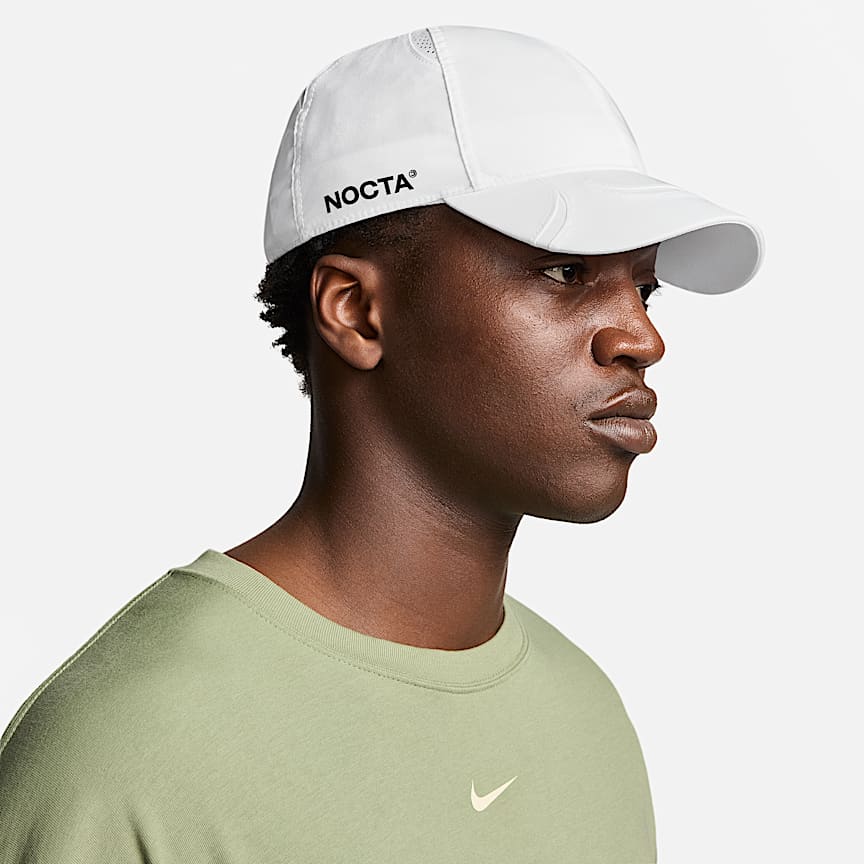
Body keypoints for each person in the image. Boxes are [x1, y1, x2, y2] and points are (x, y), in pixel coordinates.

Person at [0, 24, 764, 863]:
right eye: (564, 272)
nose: (642, 338)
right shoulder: (126, 756)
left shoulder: (588, 720)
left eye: (645, 287)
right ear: (356, 312)